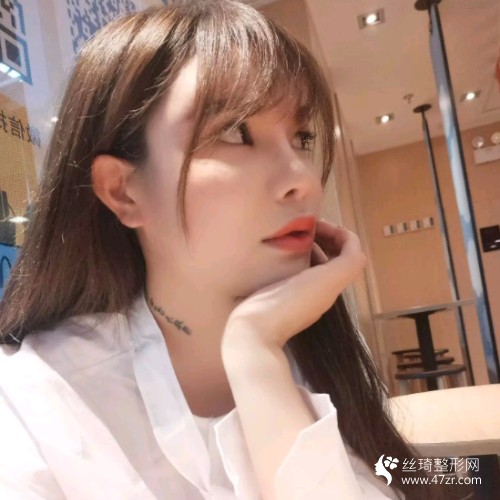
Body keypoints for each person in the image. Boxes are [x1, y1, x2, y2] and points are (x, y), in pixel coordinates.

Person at [0, 1, 469, 499]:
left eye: (302, 137)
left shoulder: (318, 351)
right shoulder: (31, 405)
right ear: (123, 191)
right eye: (235, 132)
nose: (304, 180)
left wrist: (255, 351)